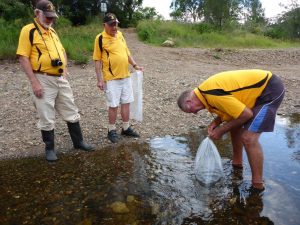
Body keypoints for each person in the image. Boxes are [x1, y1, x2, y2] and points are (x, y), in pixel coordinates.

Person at [177, 69, 285, 191]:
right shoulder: (205, 95)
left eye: (191, 110)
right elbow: (230, 109)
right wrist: (216, 122)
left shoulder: (210, 94)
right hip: (258, 91)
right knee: (234, 125)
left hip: (269, 90)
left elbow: (246, 115)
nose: (195, 113)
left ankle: (257, 184)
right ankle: (237, 163)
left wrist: (220, 131)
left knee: (248, 138)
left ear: (189, 101)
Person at [16, 0, 93, 162]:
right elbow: (23, 57)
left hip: (60, 78)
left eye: (52, 17)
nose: (51, 20)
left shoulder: (52, 31)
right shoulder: (28, 30)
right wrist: (34, 82)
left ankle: (78, 142)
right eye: (48, 16)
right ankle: (49, 149)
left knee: (71, 109)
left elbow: (63, 51)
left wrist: (64, 70)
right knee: (46, 114)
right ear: (37, 13)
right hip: (42, 78)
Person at [93, 13, 143, 143]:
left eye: (116, 24)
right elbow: (97, 60)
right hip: (111, 79)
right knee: (113, 105)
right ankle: (111, 130)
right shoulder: (99, 39)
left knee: (126, 102)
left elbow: (127, 53)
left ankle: (125, 128)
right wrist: (99, 79)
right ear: (104, 25)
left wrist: (135, 65)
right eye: (111, 25)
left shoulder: (120, 35)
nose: (114, 27)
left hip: (125, 76)